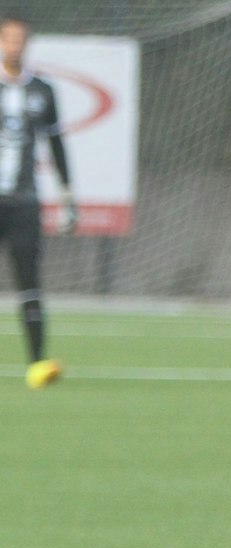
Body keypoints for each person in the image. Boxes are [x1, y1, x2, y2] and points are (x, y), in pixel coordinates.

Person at [0, 14, 76, 389]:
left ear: (27, 44)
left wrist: (67, 194)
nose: (15, 45)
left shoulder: (42, 90)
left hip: (24, 202)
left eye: (20, 39)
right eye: (8, 39)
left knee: (30, 280)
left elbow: (56, 143)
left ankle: (38, 362)